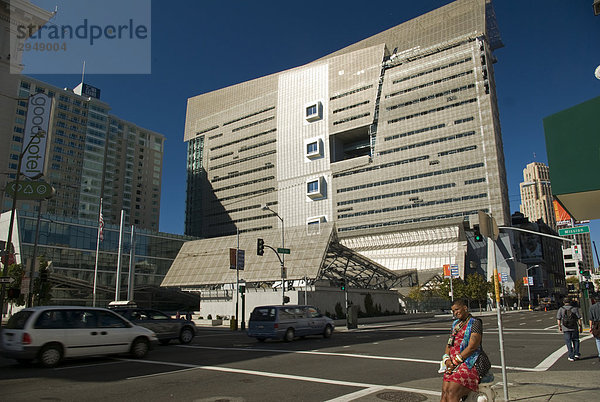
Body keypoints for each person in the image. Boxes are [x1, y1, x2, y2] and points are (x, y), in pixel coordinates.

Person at [440, 299, 489, 402]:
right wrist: (446, 359)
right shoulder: (455, 325)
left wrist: (455, 361)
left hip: (472, 362)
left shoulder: (475, 322)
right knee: (445, 392)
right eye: (453, 311)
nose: (455, 313)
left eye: (457, 309)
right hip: (454, 363)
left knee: (453, 392)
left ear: (465, 308)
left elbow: (472, 346)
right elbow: (449, 344)